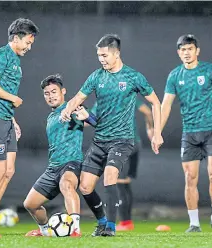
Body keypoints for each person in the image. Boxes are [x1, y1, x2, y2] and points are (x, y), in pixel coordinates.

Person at [60, 34, 163, 237]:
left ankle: (111, 227)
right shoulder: (97, 76)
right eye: (99, 55)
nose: (101, 59)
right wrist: (67, 109)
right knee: (85, 187)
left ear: (116, 54)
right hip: (99, 140)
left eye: (105, 55)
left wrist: (157, 133)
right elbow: (78, 97)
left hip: (122, 140)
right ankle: (102, 222)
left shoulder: (133, 77)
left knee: (110, 175)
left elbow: (156, 103)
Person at [0, 18, 39, 238]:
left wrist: (12, 120)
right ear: (17, 36)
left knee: (9, 171)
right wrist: (14, 99)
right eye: (28, 42)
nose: (29, 47)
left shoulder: (15, 60)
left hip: (5, 118)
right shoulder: (1, 54)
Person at [161, 34, 212, 233]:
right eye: (183, 50)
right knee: (190, 178)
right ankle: (194, 224)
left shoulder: (210, 70)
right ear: (178, 53)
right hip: (190, 134)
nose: (186, 53)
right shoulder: (175, 75)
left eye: (190, 49)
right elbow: (166, 105)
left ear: (197, 51)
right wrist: (157, 132)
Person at [23, 74, 97, 237]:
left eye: (54, 91)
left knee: (66, 184)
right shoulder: (51, 117)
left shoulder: (73, 108)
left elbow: (97, 123)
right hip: (53, 167)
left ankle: (75, 229)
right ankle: (44, 231)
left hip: (71, 163)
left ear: (63, 91)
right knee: (30, 204)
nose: (50, 96)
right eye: (47, 93)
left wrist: (88, 117)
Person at [116, 98, 153, 231]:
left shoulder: (105, 97)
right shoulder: (129, 95)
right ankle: (127, 222)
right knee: (125, 182)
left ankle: (125, 223)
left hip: (123, 144)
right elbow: (148, 111)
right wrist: (150, 129)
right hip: (135, 143)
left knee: (119, 182)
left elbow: (90, 119)